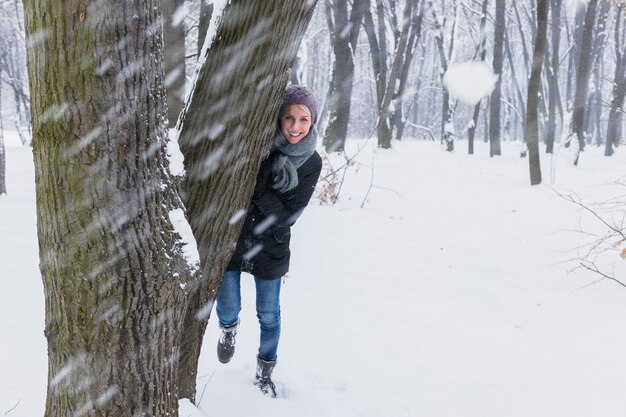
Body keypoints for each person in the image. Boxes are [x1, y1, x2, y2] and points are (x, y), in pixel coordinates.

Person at [215, 85, 322, 398]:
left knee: (269, 314)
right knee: (228, 303)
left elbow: (289, 216)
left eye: (303, 119)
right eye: (288, 117)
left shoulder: (311, 162)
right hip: (233, 239)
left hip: (272, 246)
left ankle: (264, 372)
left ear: (312, 122)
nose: (295, 126)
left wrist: (260, 191)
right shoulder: (258, 146)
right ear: (279, 118)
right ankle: (228, 329)